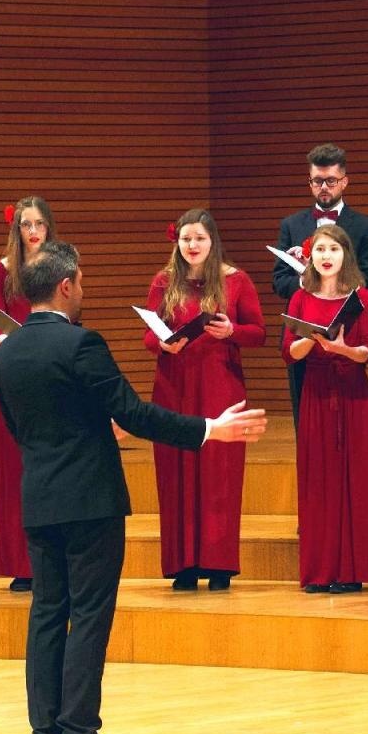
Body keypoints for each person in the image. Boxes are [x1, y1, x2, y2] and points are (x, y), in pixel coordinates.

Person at [0, 241, 265, 734]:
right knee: (90, 616)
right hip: (90, 499)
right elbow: (134, 414)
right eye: (82, 282)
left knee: (48, 614)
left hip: (39, 497)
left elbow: (16, 426)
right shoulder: (81, 344)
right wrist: (211, 429)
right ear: (66, 285)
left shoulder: (7, 352)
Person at [146, 209, 266, 591]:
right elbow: (150, 336)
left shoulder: (236, 281)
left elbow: (258, 333)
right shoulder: (164, 282)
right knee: (176, 470)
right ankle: (182, 565)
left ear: (212, 241)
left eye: (199, 238)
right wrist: (163, 342)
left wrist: (231, 330)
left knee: (220, 473)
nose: (192, 245)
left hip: (219, 384)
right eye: (186, 239)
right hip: (174, 384)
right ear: (177, 243)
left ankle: (218, 564)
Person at [283, 224, 368, 594]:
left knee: (353, 479)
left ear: (346, 256)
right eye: (321, 250)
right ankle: (319, 570)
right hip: (317, 392)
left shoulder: (363, 297)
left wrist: (340, 348)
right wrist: (311, 340)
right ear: (312, 256)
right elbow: (288, 352)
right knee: (318, 479)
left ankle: (350, 570)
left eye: (334, 250)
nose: (327, 256)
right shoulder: (300, 298)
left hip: (353, 393)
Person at [272, 143, 368, 423]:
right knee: (305, 418)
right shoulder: (291, 225)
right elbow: (279, 281)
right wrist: (308, 280)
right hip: (303, 329)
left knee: (349, 414)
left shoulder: (365, 226)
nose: (324, 187)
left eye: (331, 181)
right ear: (309, 182)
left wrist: (334, 281)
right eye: (317, 181)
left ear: (344, 181)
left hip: (348, 328)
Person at [0, 196, 54, 592]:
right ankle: (20, 563)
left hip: (53, 373)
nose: (32, 232)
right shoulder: (0, 271)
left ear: (48, 228)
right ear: (16, 229)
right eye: (26, 224)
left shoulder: (60, 266)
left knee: (50, 468)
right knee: (14, 469)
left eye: (39, 224)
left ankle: (50, 561)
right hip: (16, 371)